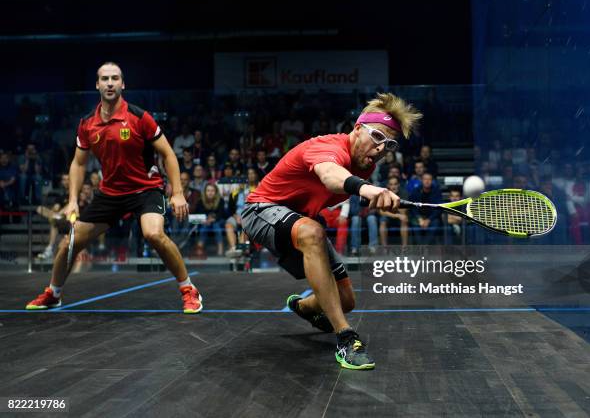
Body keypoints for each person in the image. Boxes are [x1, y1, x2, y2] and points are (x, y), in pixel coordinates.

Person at [242, 93, 421, 370]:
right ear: (357, 129)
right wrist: (366, 187)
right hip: (261, 211)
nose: (381, 148)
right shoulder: (328, 147)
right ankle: (346, 339)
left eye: (389, 143)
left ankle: (302, 307)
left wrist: (382, 201)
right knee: (313, 232)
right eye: (377, 136)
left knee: (347, 301)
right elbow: (330, 175)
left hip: (299, 220)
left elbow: (349, 188)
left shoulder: (366, 165)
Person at [25, 62, 202, 314]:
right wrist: (73, 200)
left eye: (115, 78)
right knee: (70, 242)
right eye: (105, 79)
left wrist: (177, 193)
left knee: (153, 234)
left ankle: (188, 289)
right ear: (97, 84)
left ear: (123, 84)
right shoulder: (87, 124)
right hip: (110, 194)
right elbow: (78, 162)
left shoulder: (140, 117)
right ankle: (53, 293)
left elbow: (169, 154)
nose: (110, 83)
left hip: (145, 190)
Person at [379, 176, 410, 246]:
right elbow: (381, 212)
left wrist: (395, 198)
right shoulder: (384, 194)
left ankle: (404, 248)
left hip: (398, 216)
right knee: (382, 221)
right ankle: (384, 248)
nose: (393, 187)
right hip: (391, 216)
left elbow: (403, 211)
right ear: (388, 185)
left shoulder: (403, 193)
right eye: (391, 184)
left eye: (395, 184)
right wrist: (397, 215)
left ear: (398, 185)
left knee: (404, 219)